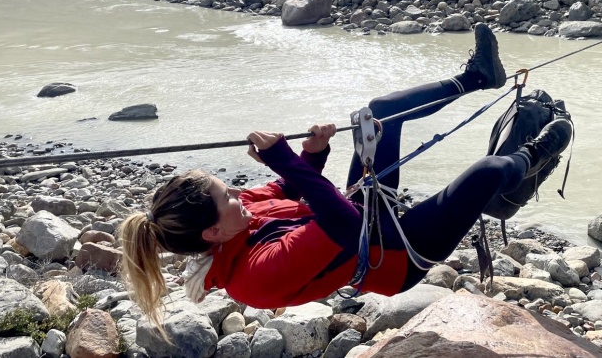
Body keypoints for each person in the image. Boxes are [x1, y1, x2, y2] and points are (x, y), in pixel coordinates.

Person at [118, 24, 573, 336]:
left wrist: (309, 157)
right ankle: (532, 159)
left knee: (378, 115)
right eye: (226, 197)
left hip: (367, 220)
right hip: (391, 259)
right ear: (213, 233)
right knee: (488, 172)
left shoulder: (236, 220)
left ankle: (477, 77)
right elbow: (346, 224)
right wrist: (285, 161)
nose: (237, 194)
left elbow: (286, 191)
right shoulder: (253, 278)